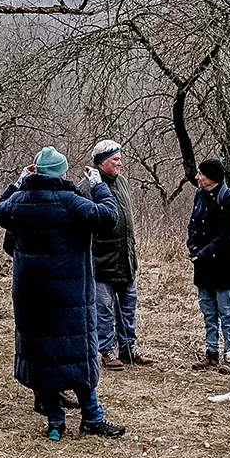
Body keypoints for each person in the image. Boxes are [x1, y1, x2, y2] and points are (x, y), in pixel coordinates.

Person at [0, 147, 127, 441]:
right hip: (68, 296)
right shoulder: (69, 201)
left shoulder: (18, 202)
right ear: (60, 173)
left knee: (44, 355)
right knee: (76, 354)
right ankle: (92, 417)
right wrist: (99, 186)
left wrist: (16, 183)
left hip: (31, 294)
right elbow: (108, 216)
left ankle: (55, 422)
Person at [89, 140, 153, 368]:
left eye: (120, 158)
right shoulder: (87, 187)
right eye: (115, 159)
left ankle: (128, 348)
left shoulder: (123, 182)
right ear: (101, 162)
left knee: (128, 306)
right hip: (101, 260)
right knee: (104, 308)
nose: (120, 163)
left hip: (126, 258)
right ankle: (107, 351)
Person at [187, 158, 230, 371]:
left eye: (200, 174)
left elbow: (227, 235)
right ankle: (211, 353)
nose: (197, 177)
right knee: (208, 311)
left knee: (227, 313)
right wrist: (192, 247)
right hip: (203, 266)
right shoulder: (199, 195)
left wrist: (203, 253)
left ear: (210, 177)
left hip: (226, 267)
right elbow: (192, 224)